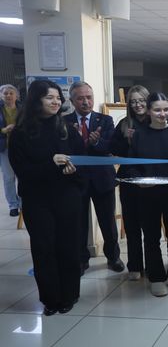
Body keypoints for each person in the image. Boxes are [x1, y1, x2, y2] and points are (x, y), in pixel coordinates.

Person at [9, 79, 84, 315]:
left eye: (58, 97)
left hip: (66, 198)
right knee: (44, 248)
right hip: (37, 200)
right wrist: (51, 165)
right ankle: (51, 299)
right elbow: (23, 172)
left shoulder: (66, 129)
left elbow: (80, 160)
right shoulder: (20, 133)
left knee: (68, 247)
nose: (56, 101)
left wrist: (74, 171)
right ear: (36, 100)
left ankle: (70, 295)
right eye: (49, 97)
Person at [128, 92, 168, 297]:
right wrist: (140, 181)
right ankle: (156, 276)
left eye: (165, 109)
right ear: (148, 110)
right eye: (157, 109)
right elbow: (132, 165)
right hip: (148, 196)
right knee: (152, 237)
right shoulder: (139, 135)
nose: (162, 114)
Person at [65, 81, 124, 275]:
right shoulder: (64, 122)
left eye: (89, 97)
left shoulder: (105, 120)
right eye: (80, 98)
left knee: (108, 222)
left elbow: (110, 147)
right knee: (78, 223)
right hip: (76, 180)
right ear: (72, 100)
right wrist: (77, 139)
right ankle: (81, 260)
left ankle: (113, 257)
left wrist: (96, 142)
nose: (85, 102)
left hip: (102, 179)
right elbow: (64, 150)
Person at [109, 85, 150, 280]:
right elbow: (113, 149)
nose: (138, 104)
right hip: (129, 182)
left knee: (150, 229)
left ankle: (152, 265)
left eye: (141, 100)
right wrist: (127, 141)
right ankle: (135, 265)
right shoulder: (124, 124)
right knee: (132, 227)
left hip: (151, 182)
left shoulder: (156, 121)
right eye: (133, 101)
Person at [0, 84, 21, 216]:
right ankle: (13, 205)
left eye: (11, 93)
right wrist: (3, 130)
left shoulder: (23, 109)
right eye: (5, 93)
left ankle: (24, 203)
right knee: (9, 178)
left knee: (22, 176)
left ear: (16, 95)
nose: (8, 95)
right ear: (1, 96)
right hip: (5, 148)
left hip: (22, 148)